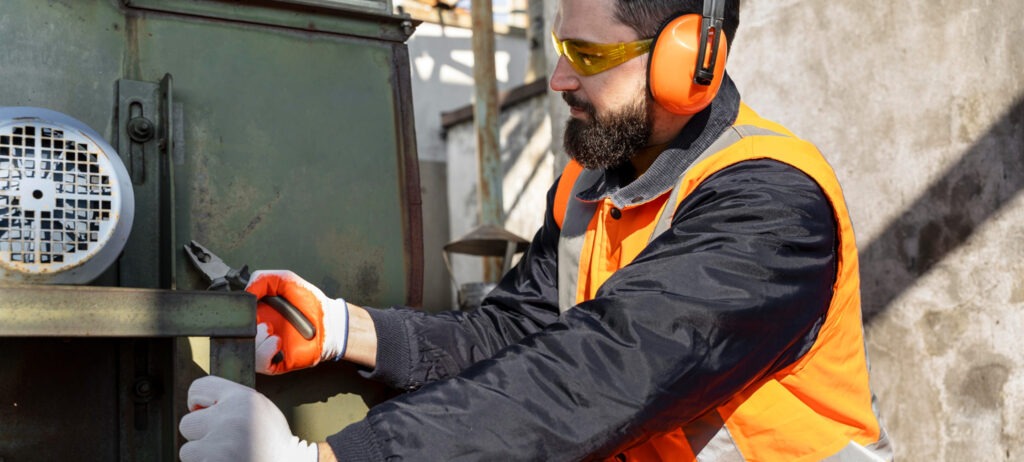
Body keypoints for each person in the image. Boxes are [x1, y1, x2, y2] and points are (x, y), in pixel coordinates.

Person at [178, 0, 894, 460]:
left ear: (691, 62)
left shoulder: (770, 207)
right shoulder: (591, 187)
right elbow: (516, 336)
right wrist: (343, 329)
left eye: (587, 56)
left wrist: (329, 460)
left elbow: (593, 375)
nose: (557, 78)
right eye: (560, 47)